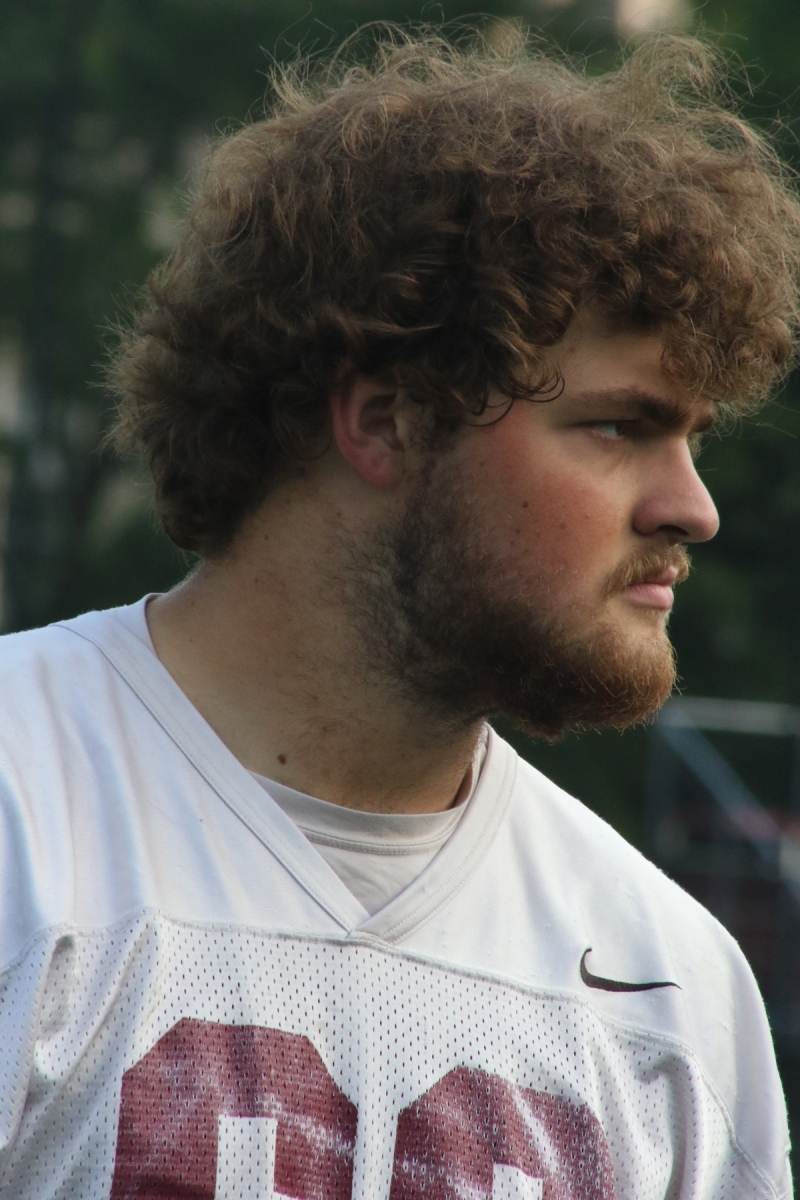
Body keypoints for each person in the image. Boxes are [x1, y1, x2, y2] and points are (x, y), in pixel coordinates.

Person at [1, 28, 799, 1199]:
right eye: (618, 426)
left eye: (692, 440)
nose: (692, 508)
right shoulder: (24, 805)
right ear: (382, 422)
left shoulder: (671, 991)